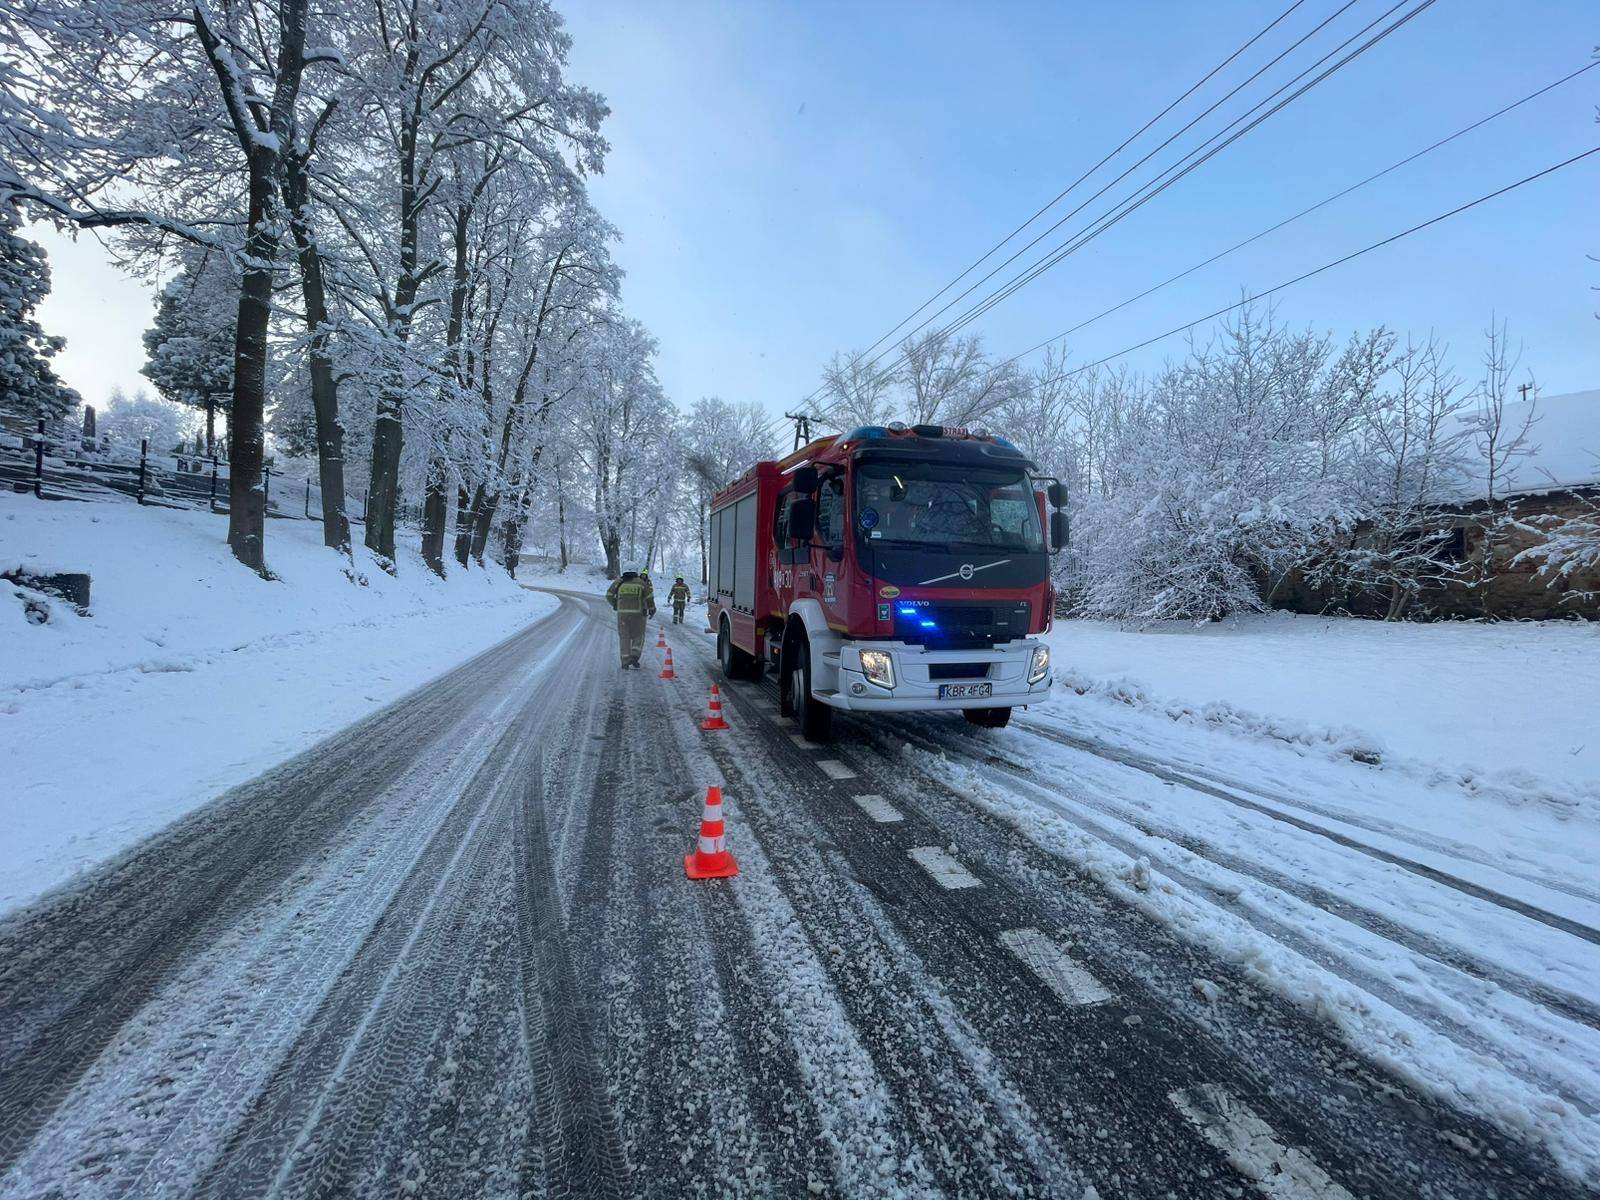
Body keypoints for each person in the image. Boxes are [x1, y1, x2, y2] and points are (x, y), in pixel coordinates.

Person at [605, 569, 656, 669]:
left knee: (624, 637)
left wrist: (616, 604)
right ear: (636, 571)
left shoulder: (618, 582)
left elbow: (609, 595)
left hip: (622, 615)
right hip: (638, 615)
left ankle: (625, 661)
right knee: (639, 635)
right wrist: (652, 609)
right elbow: (649, 597)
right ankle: (635, 655)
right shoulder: (641, 583)